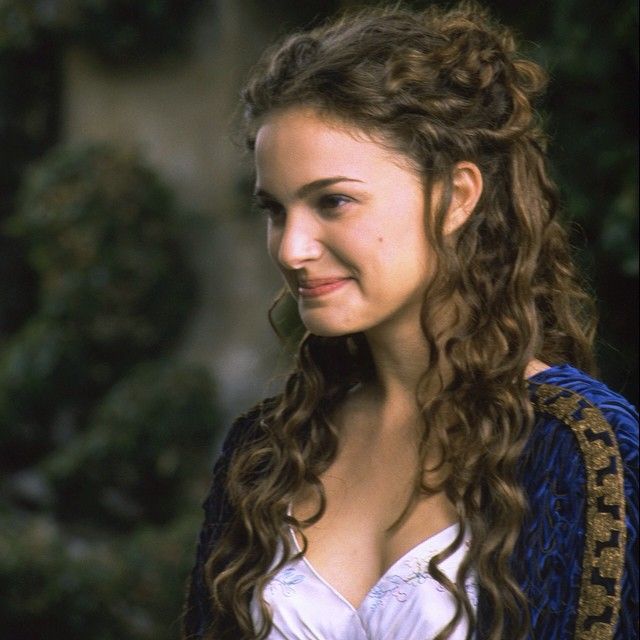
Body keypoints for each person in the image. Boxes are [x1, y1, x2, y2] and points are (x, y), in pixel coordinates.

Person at [182, 3, 638, 639]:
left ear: (456, 196)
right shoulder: (264, 454)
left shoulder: (577, 445)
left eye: (332, 201)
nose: (292, 248)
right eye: (275, 210)